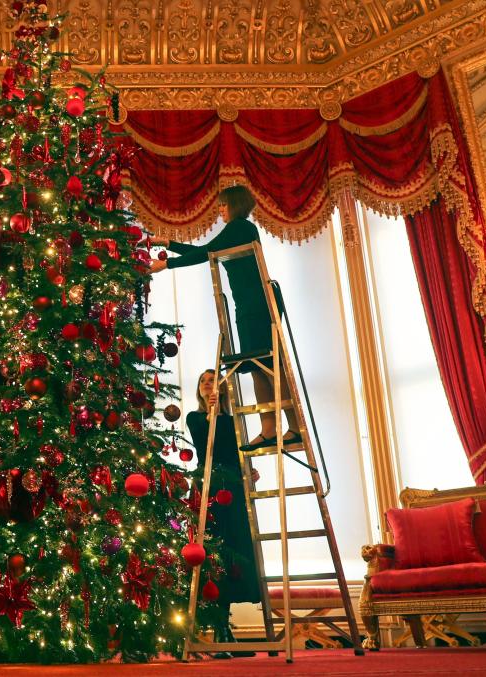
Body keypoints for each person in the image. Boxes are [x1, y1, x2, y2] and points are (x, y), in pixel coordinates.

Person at [151, 185, 298, 450]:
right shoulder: (236, 231)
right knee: (255, 367)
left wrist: (168, 264)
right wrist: (170, 246)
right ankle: (268, 429)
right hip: (246, 307)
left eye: (223, 205)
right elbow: (208, 249)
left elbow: (205, 253)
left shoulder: (240, 227)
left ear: (235, 205)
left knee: (270, 367)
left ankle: (294, 428)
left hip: (257, 306)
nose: (220, 210)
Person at [185, 369, 259, 658]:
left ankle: (224, 630)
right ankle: (219, 628)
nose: (207, 383)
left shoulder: (234, 420)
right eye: (202, 380)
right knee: (213, 551)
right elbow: (207, 442)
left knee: (234, 551)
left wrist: (248, 469)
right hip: (210, 486)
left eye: (212, 380)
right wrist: (212, 412)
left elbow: (237, 451)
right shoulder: (195, 418)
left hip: (234, 489)